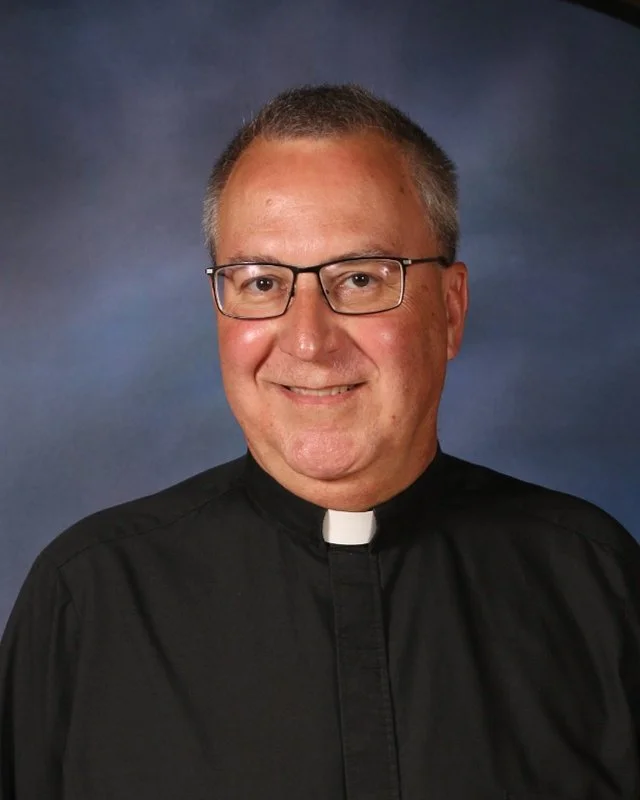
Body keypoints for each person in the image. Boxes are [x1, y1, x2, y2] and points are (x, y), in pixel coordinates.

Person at [1, 84, 638, 800]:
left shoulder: (596, 580)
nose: (308, 339)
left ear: (451, 310)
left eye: (361, 278)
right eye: (261, 281)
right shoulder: (87, 597)